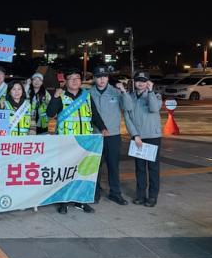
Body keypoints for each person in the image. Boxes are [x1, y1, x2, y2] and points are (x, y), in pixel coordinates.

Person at [46, 68, 108, 214]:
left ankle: (81, 201)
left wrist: (103, 128)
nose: (74, 81)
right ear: (66, 81)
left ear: (81, 81)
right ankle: (63, 201)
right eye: (71, 78)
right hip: (66, 142)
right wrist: (55, 97)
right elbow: (50, 113)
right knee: (66, 172)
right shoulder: (61, 96)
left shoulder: (86, 96)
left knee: (84, 172)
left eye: (77, 78)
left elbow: (94, 115)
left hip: (85, 142)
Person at [89, 66, 133, 205]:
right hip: (95, 135)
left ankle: (115, 193)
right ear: (94, 78)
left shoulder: (116, 92)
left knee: (113, 165)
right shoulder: (89, 93)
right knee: (95, 166)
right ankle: (94, 192)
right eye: (98, 77)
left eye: (104, 76)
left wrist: (124, 91)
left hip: (113, 135)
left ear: (108, 78)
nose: (102, 79)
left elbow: (128, 107)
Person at [124, 71, 162, 208]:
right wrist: (135, 135)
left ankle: (152, 196)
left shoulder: (155, 95)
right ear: (134, 82)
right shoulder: (130, 96)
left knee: (153, 168)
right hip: (138, 138)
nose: (140, 83)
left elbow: (154, 108)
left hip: (152, 136)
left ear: (148, 82)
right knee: (139, 168)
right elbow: (127, 117)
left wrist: (150, 91)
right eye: (138, 80)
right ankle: (140, 195)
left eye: (144, 81)